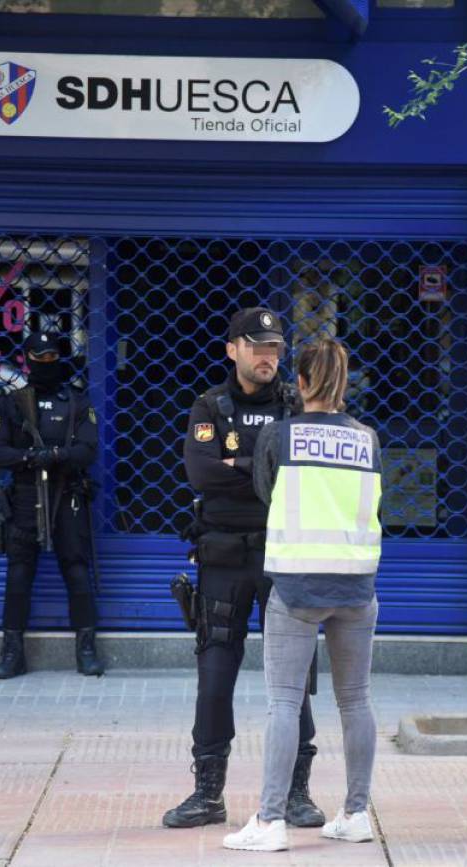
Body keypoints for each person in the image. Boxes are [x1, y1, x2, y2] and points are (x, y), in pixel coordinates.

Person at [163, 307, 324, 830]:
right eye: (257, 347)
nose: (268, 357)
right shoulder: (209, 404)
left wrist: (238, 464)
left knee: (293, 681)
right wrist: (263, 465)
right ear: (232, 348)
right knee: (214, 677)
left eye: (275, 348)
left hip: (282, 558)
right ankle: (207, 793)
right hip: (224, 558)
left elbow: (306, 474)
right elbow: (201, 473)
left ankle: (297, 793)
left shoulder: (297, 405)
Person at [223, 337, 383, 853]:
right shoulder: (367, 438)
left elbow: (266, 493)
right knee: (356, 701)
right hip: (357, 586)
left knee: (283, 704)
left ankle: (270, 821)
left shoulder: (279, 435)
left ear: (303, 383)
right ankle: (356, 813)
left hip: (295, 585)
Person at [0, 331, 104, 679]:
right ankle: (12, 653)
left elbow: (87, 451)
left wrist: (52, 456)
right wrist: (32, 459)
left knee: (77, 569)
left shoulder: (78, 403)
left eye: (52, 358)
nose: (46, 365)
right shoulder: (10, 404)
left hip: (67, 495)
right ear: (28, 360)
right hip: (24, 498)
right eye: (39, 359)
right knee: (19, 575)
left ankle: (86, 649)